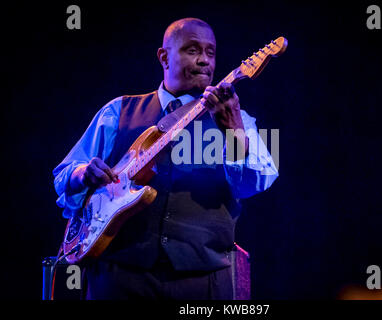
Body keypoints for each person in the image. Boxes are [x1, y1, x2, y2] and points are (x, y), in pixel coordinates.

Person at [53, 17, 278, 300]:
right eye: (192, 50)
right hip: (117, 277)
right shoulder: (118, 110)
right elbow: (63, 175)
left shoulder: (238, 119)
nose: (204, 61)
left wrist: (234, 130)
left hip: (201, 282)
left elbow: (256, 184)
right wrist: (83, 172)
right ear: (164, 57)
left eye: (211, 53)